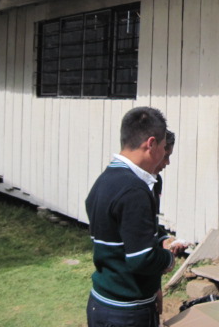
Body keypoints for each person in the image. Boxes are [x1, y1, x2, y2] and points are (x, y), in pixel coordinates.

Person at [85, 106, 175, 327]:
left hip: (102, 302)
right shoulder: (134, 190)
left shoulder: (104, 180)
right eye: (164, 147)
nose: (165, 156)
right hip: (127, 312)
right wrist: (168, 259)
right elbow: (142, 259)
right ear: (151, 144)